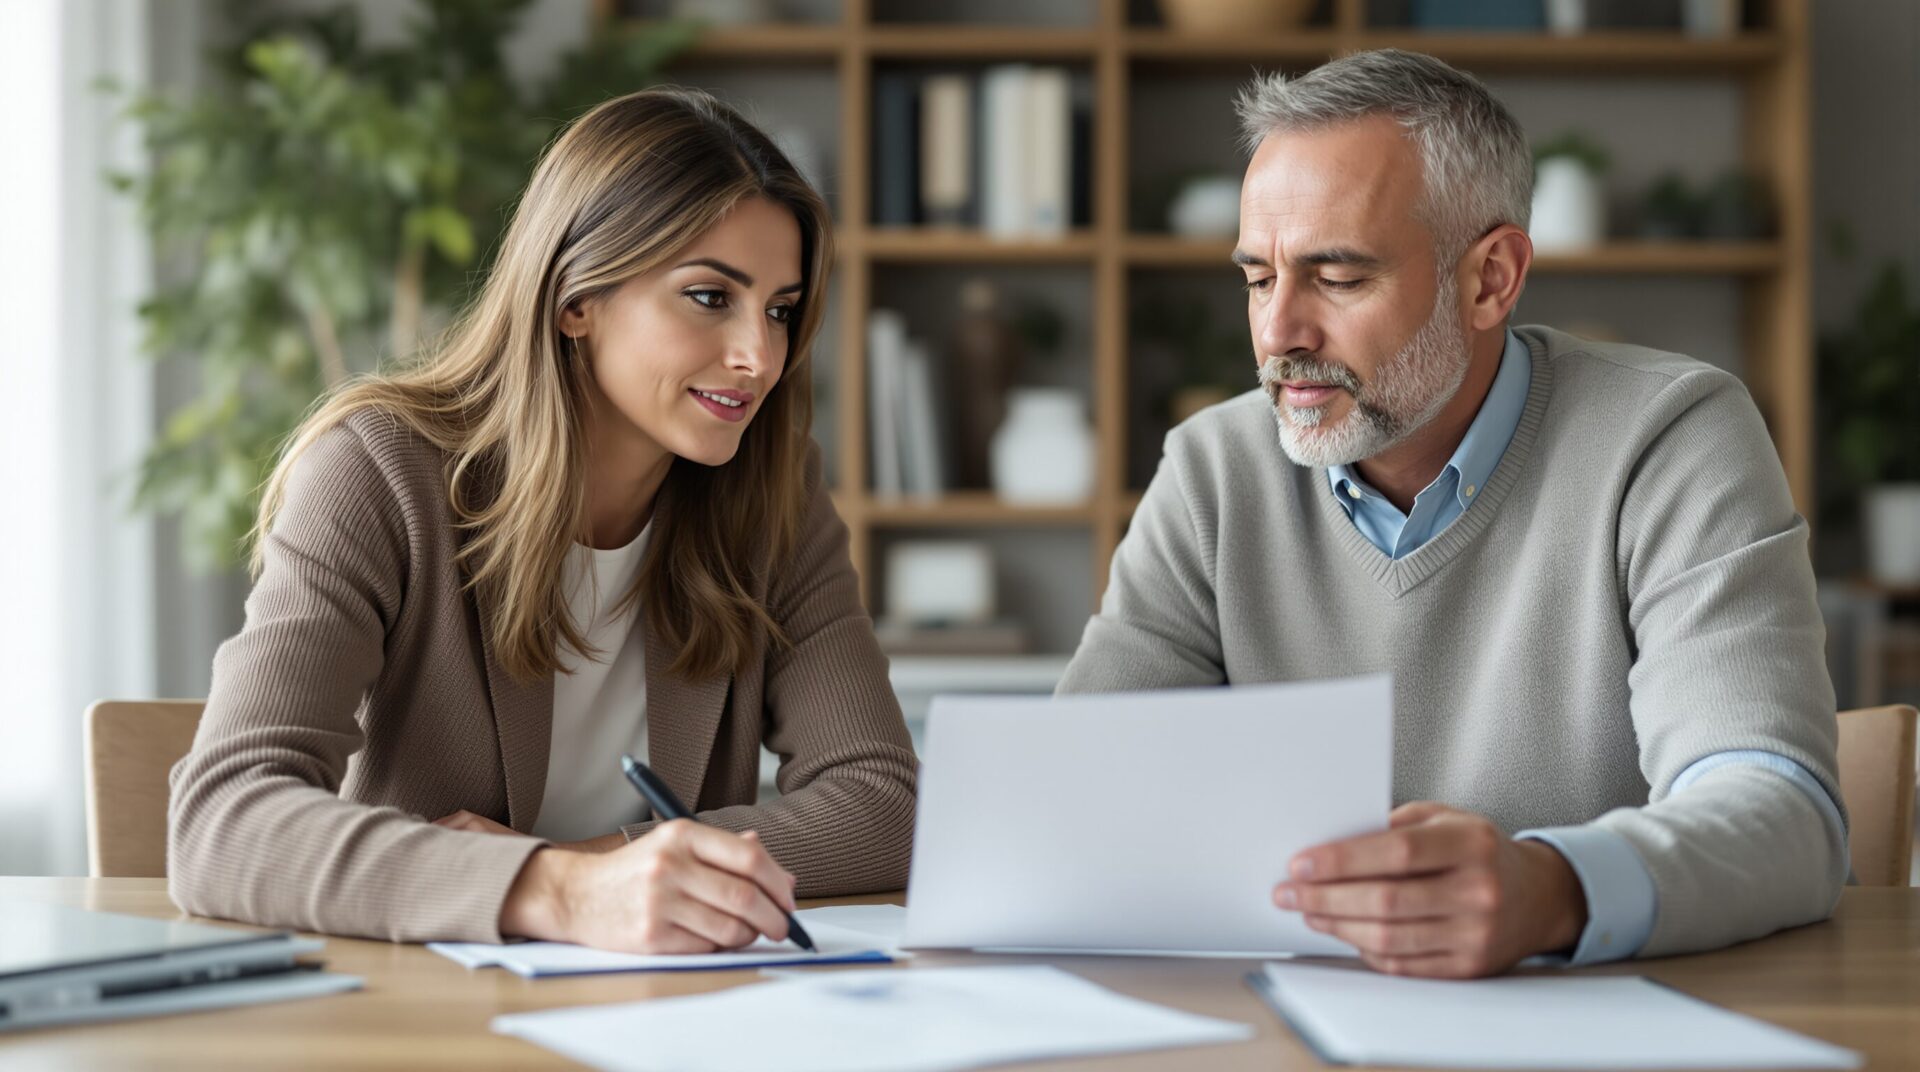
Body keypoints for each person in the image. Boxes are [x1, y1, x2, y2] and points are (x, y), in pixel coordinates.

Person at [1057, 50, 1846, 978]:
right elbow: (1070, 805)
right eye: (1259, 279)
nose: (1277, 334)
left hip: (1589, 1019)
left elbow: (1781, 812)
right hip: (1280, 1020)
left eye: (1336, 278)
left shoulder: (1669, 438)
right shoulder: (1213, 470)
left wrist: (1553, 890)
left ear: (1490, 279)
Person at [168, 87, 916, 954]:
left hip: (676, 1002)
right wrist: (554, 891)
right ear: (575, 300)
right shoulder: (378, 472)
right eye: (711, 296)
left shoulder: (772, 494)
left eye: (780, 310)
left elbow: (883, 803)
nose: (759, 356)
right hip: (425, 1005)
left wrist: (600, 868)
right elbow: (222, 820)